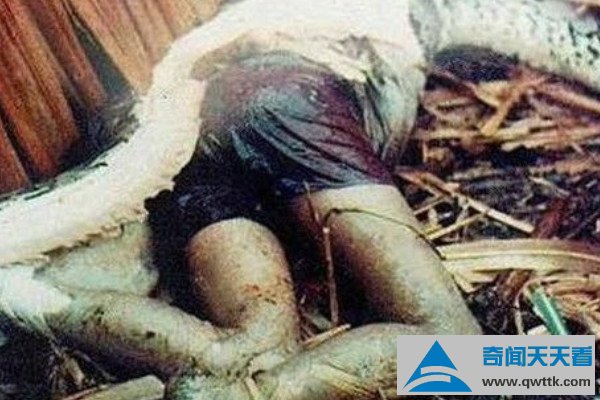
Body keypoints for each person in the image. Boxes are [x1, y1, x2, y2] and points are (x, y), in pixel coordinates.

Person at [153, 0, 600, 376]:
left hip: (188, 127)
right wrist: (575, 369)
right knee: (457, 344)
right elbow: (570, 39)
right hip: (288, 102)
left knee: (254, 350)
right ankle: (567, 370)